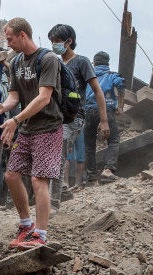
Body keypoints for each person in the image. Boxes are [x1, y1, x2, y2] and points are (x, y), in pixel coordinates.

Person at [0, 17, 63, 249]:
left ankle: (40, 234)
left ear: (23, 35)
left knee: (39, 180)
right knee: (11, 175)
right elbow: (15, 96)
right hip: (28, 128)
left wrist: (16, 119)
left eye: (10, 38)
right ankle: (26, 226)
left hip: (49, 127)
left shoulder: (48, 59)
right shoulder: (17, 62)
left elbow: (44, 97)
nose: (8, 43)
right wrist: (4, 107)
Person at [47, 24, 110, 208]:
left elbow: (98, 91)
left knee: (58, 154)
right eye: (52, 42)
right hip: (55, 118)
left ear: (69, 41)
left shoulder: (81, 62)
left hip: (74, 117)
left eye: (56, 42)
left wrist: (104, 121)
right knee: (53, 156)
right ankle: (62, 190)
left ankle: (54, 203)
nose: (54, 45)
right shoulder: (55, 63)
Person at [84, 51, 125, 183]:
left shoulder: (88, 77)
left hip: (89, 112)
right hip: (106, 111)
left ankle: (91, 176)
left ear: (94, 63)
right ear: (107, 63)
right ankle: (108, 170)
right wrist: (120, 105)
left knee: (89, 145)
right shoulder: (111, 75)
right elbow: (121, 85)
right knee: (113, 140)